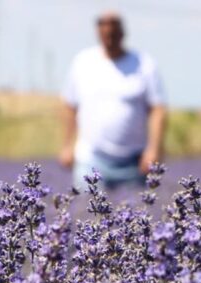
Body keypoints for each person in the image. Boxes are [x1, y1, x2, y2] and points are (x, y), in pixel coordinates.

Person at [60, 11, 167, 189]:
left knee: (134, 212)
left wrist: (154, 149)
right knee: (86, 212)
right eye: (104, 29)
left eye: (113, 30)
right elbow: (69, 106)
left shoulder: (144, 64)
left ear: (122, 33)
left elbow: (158, 110)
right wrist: (66, 145)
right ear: (98, 33)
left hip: (133, 160)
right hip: (90, 157)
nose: (109, 35)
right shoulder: (83, 62)